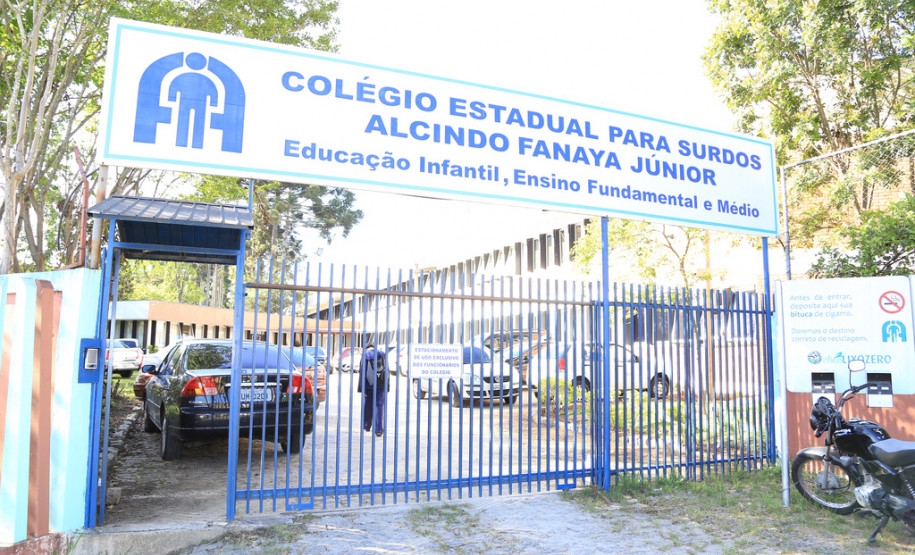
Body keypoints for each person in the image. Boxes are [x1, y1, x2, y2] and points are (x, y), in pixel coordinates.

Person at [357, 345, 387, 437]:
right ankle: (378, 429)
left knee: (368, 406)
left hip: (369, 385)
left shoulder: (365, 356)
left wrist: (362, 388)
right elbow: (387, 371)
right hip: (381, 385)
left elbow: (363, 372)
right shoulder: (382, 355)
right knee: (379, 406)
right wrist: (387, 386)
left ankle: (367, 425)